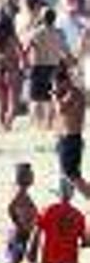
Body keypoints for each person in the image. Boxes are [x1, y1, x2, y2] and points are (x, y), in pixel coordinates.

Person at [27, 178, 87, 263]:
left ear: (57, 194)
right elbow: (85, 242)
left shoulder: (47, 210)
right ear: (72, 194)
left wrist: (31, 253)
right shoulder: (79, 215)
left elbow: (36, 233)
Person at [25, 9, 70, 129]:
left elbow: (26, 48)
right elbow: (65, 51)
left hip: (38, 66)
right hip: (54, 66)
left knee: (36, 98)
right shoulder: (59, 33)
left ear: (42, 18)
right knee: (51, 97)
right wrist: (71, 61)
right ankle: (48, 123)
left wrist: (25, 61)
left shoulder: (36, 32)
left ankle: (37, 124)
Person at [52, 68, 90, 198]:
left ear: (64, 82)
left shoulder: (73, 93)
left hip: (71, 139)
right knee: (65, 173)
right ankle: (65, 198)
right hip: (65, 138)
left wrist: (54, 96)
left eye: (56, 84)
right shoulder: (69, 93)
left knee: (71, 174)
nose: (55, 87)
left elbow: (61, 109)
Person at [6, 163, 38, 263]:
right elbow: (10, 207)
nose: (33, 177)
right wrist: (18, 223)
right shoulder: (20, 192)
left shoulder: (23, 192)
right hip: (21, 231)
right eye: (31, 175)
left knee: (23, 256)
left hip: (25, 230)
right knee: (18, 258)